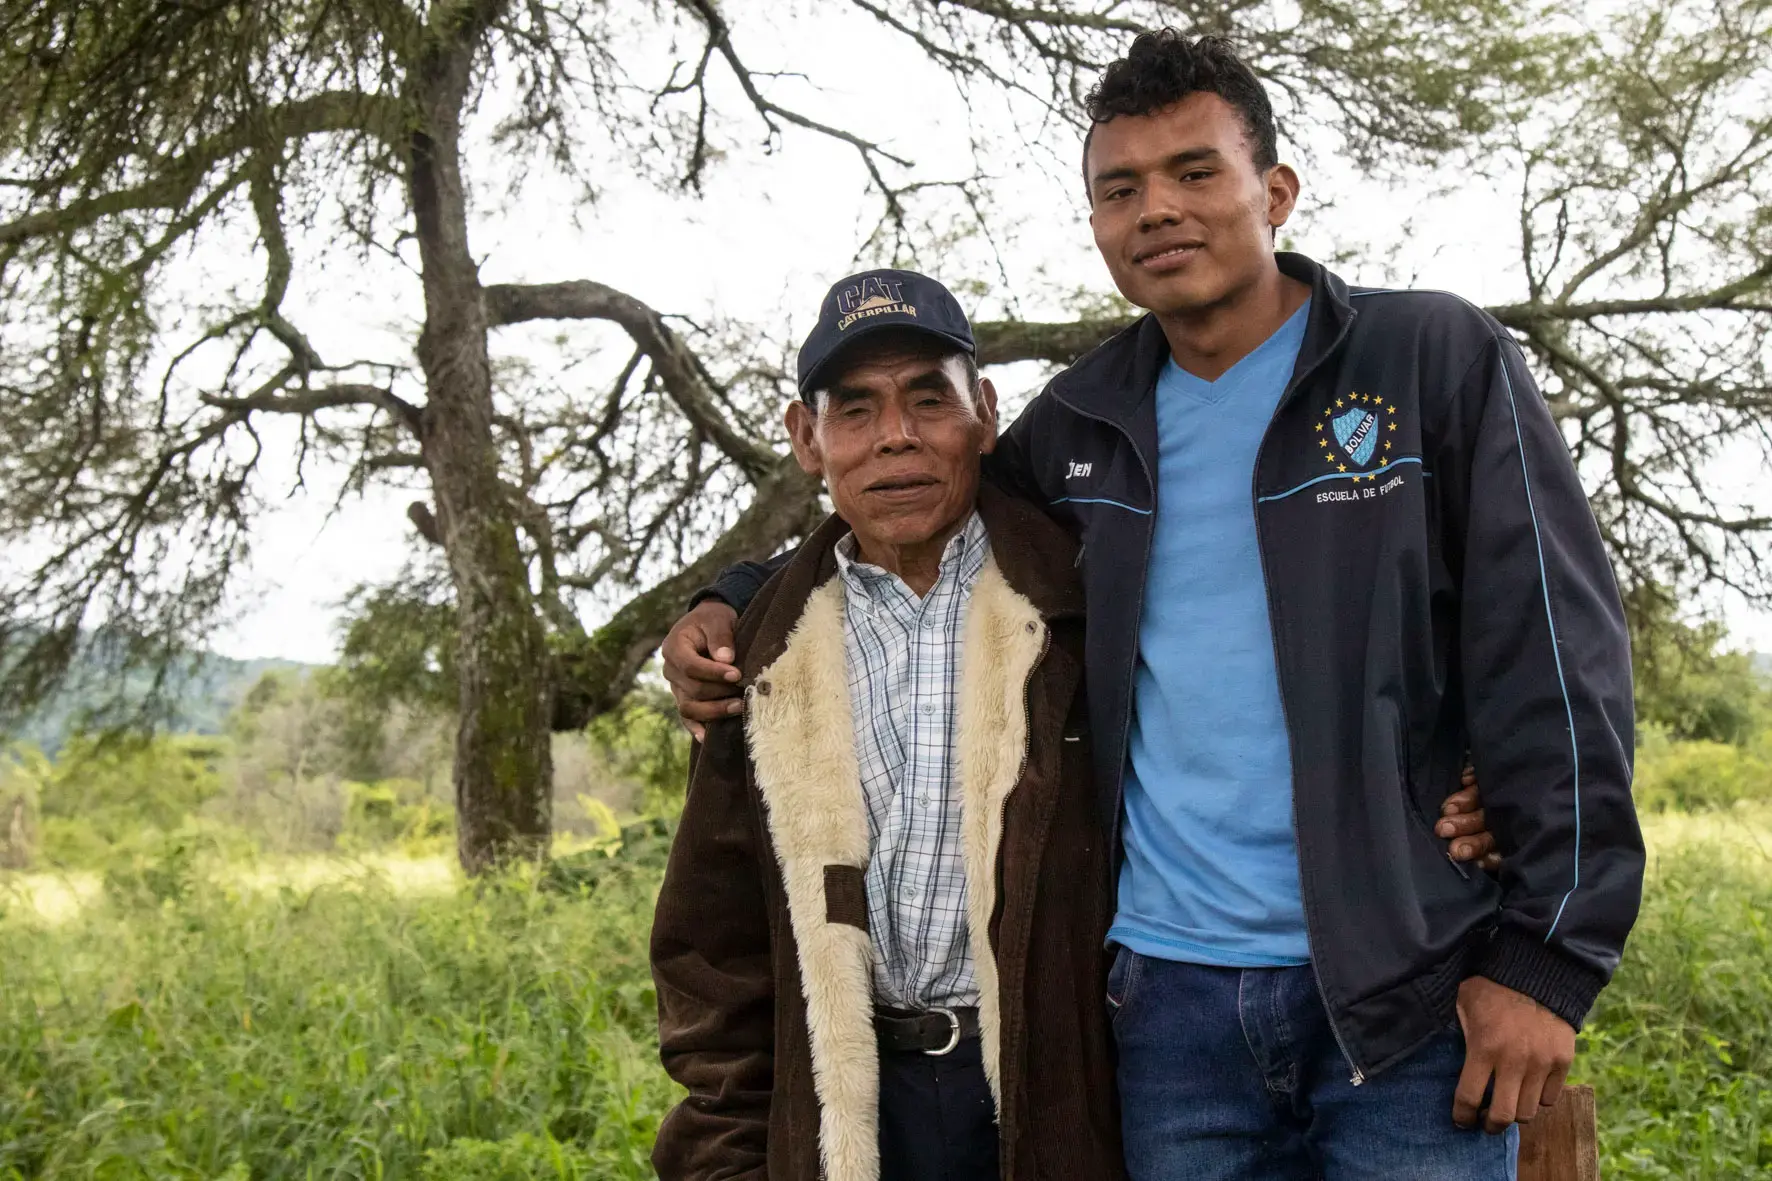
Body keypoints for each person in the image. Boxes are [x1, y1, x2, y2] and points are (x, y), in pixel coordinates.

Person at [663, 30, 1643, 1181]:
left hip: (1403, 987)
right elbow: (906, 509)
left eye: (1194, 172)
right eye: (1119, 188)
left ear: (1272, 189)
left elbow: (1555, 657)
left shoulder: (1428, 358)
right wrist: (729, 599)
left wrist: (1547, 957)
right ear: (1095, 224)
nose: (1157, 210)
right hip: (1160, 1009)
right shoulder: (1082, 426)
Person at [649, 272, 1124, 1181]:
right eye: (856, 409)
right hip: (852, 1111)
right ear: (806, 438)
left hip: (1059, 1096)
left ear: (983, 413)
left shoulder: (1084, 606)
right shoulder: (759, 654)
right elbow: (713, 950)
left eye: (927, 398)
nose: (896, 435)